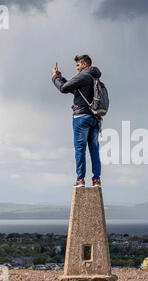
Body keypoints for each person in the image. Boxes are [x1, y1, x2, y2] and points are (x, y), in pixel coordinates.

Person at [52, 54, 103, 188]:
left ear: (85, 64)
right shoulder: (94, 77)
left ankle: (80, 180)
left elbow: (63, 88)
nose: (77, 68)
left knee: (80, 149)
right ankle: (96, 180)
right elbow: (75, 90)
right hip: (95, 118)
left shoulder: (83, 76)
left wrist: (54, 78)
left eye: (78, 65)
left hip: (81, 118)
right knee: (94, 149)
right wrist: (61, 78)